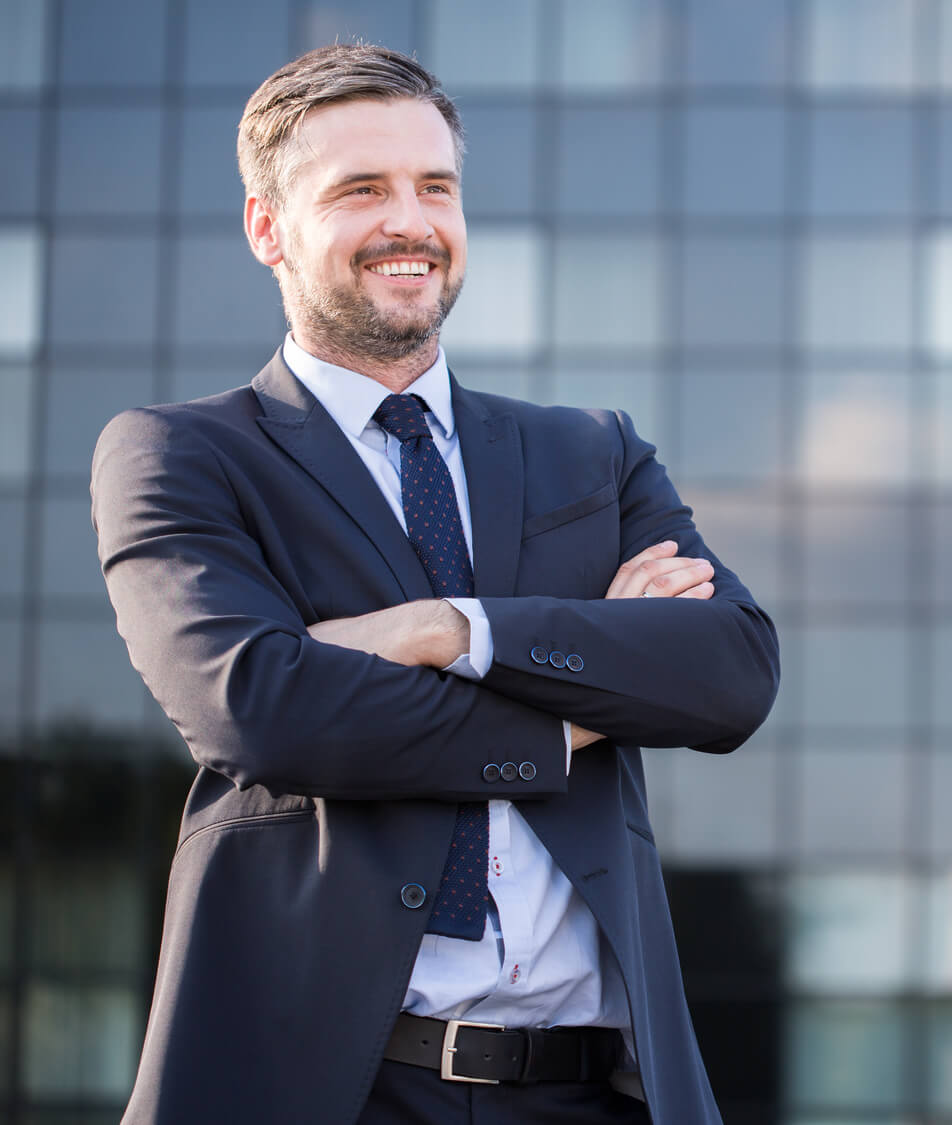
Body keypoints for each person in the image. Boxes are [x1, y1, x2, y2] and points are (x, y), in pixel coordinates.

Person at [89, 44, 778, 1125]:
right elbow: (259, 707)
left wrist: (445, 629)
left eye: (435, 187)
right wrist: (581, 703)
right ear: (268, 227)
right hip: (329, 1089)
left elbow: (730, 672)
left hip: (595, 1094)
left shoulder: (589, 454)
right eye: (361, 189)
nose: (409, 222)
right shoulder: (181, 455)